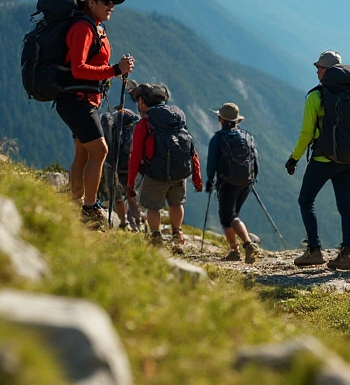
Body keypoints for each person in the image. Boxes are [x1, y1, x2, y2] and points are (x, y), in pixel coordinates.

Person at [56, 0, 134, 226]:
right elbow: (78, 69)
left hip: (81, 100)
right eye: (107, 1)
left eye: (113, 2)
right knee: (100, 151)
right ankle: (89, 208)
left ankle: (75, 204)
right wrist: (114, 70)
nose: (112, 6)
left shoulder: (95, 27)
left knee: (82, 154)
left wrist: (117, 70)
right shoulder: (83, 28)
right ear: (91, 3)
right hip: (76, 101)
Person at [286, 51, 350, 270]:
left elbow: (307, 133)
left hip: (323, 158)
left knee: (306, 200)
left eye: (319, 67)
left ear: (327, 71)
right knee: (346, 204)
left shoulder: (316, 96)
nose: (317, 71)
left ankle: (314, 250)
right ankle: (346, 253)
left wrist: (293, 158)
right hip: (348, 157)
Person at [126, 83, 203, 251]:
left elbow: (135, 157)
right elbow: (191, 150)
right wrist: (197, 178)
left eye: (139, 101)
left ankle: (155, 237)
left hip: (155, 174)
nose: (138, 105)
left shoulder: (143, 125)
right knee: (176, 204)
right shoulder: (177, 119)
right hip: (179, 173)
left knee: (153, 207)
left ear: (143, 103)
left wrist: (130, 183)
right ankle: (177, 234)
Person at [203, 102, 260, 264]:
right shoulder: (247, 136)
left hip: (228, 182)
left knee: (228, 216)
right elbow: (255, 159)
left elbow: (212, 163)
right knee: (232, 215)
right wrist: (252, 177)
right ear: (237, 121)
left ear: (221, 119)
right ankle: (234, 250)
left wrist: (210, 180)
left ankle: (246, 246)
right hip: (246, 182)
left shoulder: (218, 139)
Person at [100, 102, 140, 230]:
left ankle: (123, 223)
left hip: (112, 163)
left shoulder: (110, 123)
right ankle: (136, 224)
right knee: (131, 196)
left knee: (116, 196)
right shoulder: (134, 124)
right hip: (128, 165)